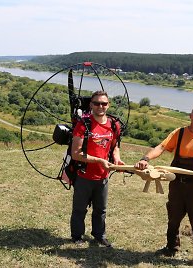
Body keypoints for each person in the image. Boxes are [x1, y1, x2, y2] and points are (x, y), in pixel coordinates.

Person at [135, 104, 193, 268]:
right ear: (190, 115)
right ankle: (171, 247)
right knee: (173, 217)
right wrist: (146, 159)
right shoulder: (179, 133)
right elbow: (161, 147)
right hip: (176, 184)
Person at [70, 90, 124, 248]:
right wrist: (99, 160)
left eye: (104, 103)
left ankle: (99, 235)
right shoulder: (83, 124)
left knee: (101, 209)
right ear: (91, 105)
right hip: (84, 175)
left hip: (102, 176)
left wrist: (117, 158)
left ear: (108, 105)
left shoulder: (114, 124)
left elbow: (115, 145)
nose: (101, 106)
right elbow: (76, 154)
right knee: (79, 209)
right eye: (97, 103)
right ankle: (77, 236)